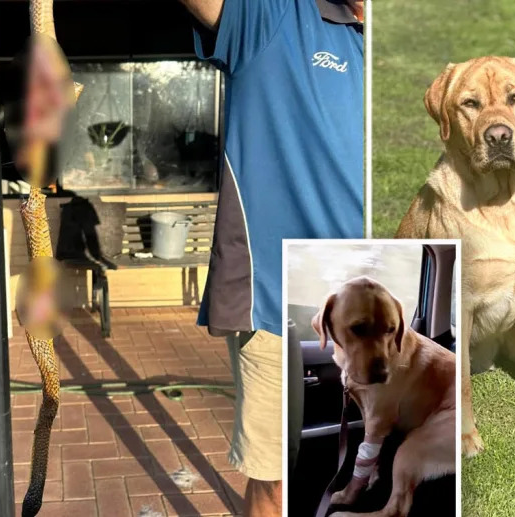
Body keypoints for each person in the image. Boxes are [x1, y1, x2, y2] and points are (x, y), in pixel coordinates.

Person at [179, 1, 365, 516]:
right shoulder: (274, 14)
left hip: (374, 300)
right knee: (280, 483)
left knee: (360, 463)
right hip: (278, 299)